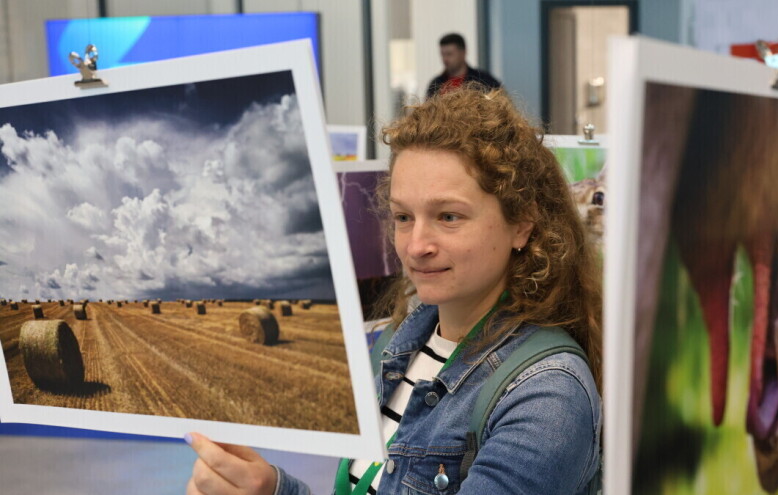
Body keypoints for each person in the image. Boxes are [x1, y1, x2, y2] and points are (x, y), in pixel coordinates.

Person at [185, 86, 602, 495]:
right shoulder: (399, 345)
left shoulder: (546, 395)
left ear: (522, 224)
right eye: (403, 216)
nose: (416, 245)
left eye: (449, 216)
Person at [426, 33, 502, 98]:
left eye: (449, 54)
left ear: (463, 53)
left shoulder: (483, 81)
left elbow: (503, 106)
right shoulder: (436, 84)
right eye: (443, 54)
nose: (445, 59)